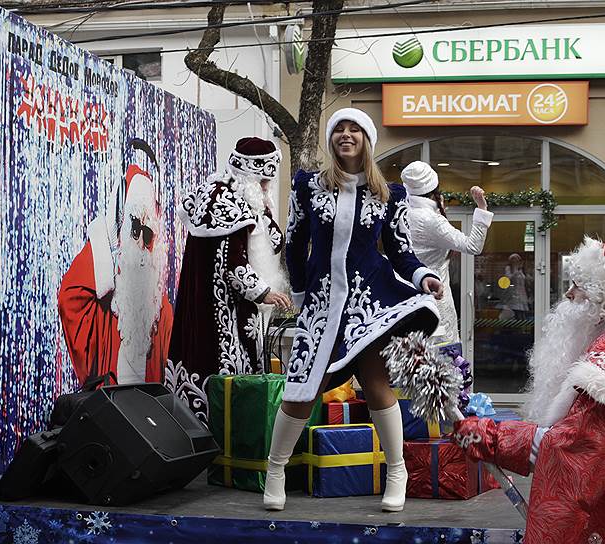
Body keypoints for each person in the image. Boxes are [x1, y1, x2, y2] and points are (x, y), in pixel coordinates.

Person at [453, 232, 605, 543]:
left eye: (578, 287)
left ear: (601, 300)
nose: (568, 295)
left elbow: (575, 450)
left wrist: (489, 436)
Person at [263, 108, 444, 513]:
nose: (346, 135)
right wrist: (299, 292)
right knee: (300, 391)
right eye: (339, 130)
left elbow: (400, 252)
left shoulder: (391, 194)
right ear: (331, 140)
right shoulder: (307, 185)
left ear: (367, 140)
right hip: (323, 304)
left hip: (370, 304)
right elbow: (295, 242)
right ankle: (275, 469)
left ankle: (396, 472)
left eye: (355, 130)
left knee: (378, 386)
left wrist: (423, 278)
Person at [168, 137, 291, 421]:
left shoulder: (232, 195)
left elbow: (270, 239)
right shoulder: (227, 201)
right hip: (220, 308)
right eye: (263, 183)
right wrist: (263, 292)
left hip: (220, 303)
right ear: (249, 176)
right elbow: (232, 263)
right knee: (221, 375)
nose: (266, 190)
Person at [58, 138, 173, 387]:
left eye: (149, 233)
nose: (142, 241)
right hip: (112, 399)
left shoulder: (160, 307)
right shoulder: (108, 291)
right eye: (135, 229)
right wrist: (101, 243)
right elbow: (70, 298)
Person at [401, 161, 493, 343]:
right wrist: (482, 208)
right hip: (437, 297)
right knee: (443, 354)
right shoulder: (432, 220)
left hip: (405, 298)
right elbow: (473, 245)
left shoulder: (401, 214)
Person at [499, 253, 530, 320]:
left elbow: (526, 279)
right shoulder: (509, 268)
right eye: (514, 260)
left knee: (522, 314)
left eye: (517, 260)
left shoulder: (521, 269)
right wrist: (516, 270)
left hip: (522, 294)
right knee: (515, 312)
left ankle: (522, 329)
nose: (516, 262)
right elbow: (508, 278)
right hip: (513, 295)